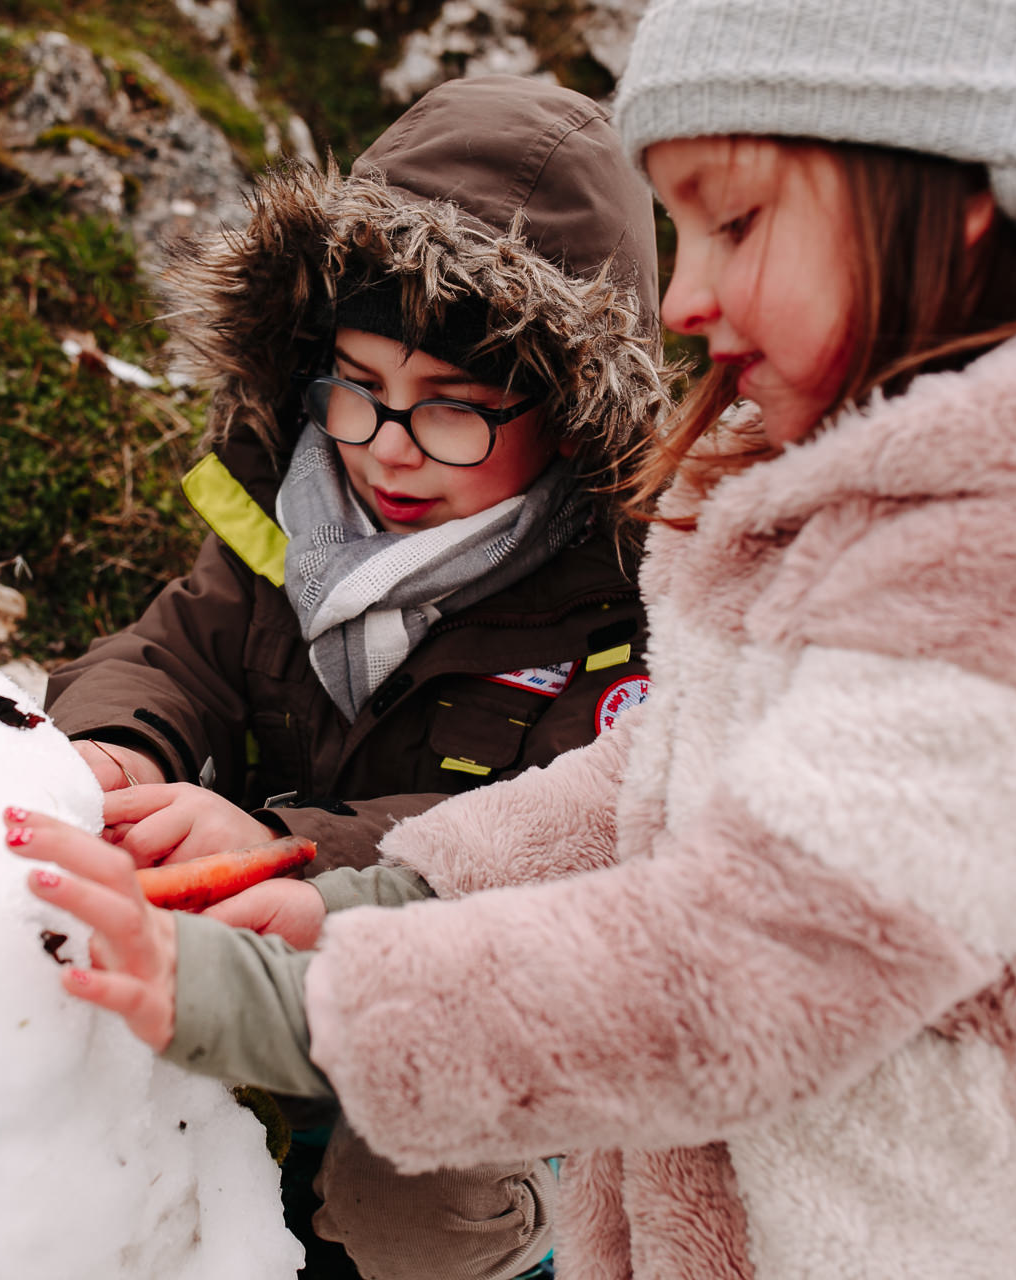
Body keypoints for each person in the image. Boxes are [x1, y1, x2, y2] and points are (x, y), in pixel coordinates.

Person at [14, 0, 1016, 1274]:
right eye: (678, 230)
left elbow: (739, 966)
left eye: (734, 222)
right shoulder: (891, 488)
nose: (682, 299)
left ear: (966, 185)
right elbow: (670, 786)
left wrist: (276, 997)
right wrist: (364, 898)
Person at [38, 74, 668, 1279]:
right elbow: (179, 645)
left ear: (574, 411)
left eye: (454, 410)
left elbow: (559, 843)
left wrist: (283, 845)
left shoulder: (625, 605)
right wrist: (114, 747)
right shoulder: (296, 498)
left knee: (411, 1196)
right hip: (265, 964)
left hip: (493, 1019)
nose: (387, 444)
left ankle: (539, 1246)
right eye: (359, 386)